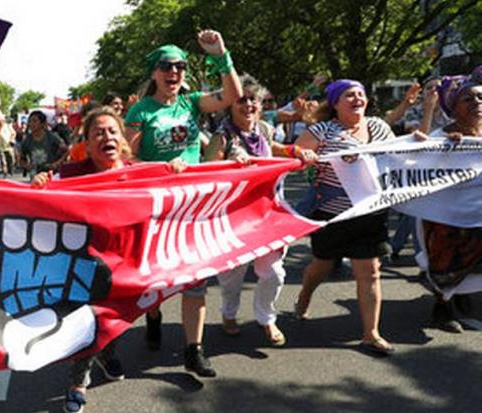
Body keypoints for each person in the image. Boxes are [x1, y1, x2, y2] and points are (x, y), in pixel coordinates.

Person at [124, 30, 242, 377]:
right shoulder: (140, 111)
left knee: (196, 278)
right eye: (166, 67)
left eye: (179, 66)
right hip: (157, 205)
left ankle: (194, 349)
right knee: (157, 279)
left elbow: (232, 96)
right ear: (154, 73)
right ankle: (155, 314)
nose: (173, 72)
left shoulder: (191, 103)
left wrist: (221, 54)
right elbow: (127, 159)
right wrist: (163, 168)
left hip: (194, 204)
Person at [32, 107, 131, 413]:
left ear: (122, 139)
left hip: (127, 261)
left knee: (115, 315)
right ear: (86, 144)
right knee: (91, 317)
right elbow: (43, 190)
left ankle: (107, 352)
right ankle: (78, 384)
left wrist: (178, 169)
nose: (107, 137)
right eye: (98, 133)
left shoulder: (140, 172)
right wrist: (40, 181)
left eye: (112, 131)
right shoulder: (72, 174)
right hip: (83, 262)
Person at [204, 75, 318, 346]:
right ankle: (228, 314)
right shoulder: (222, 136)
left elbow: (278, 150)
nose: (248, 106)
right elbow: (205, 171)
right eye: (242, 100)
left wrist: (296, 151)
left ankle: (267, 319)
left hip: (267, 215)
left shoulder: (264, 129)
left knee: (274, 273)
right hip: (233, 218)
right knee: (232, 275)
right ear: (231, 104)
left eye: (253, 100)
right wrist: (229, 164)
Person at [293, 79, 397, 356]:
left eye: (360, 94)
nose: (357, 99)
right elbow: (292, 156)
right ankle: (305, 295)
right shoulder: (323, 130)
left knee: (370, 271)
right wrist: (304, 155)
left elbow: (399, 157)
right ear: (336, 103)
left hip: (370, 212)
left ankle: (371, 334)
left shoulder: (378, 127)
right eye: (349, 95)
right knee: (321, 266)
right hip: (333, 214)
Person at [416, 67, 482, 332]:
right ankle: (442, 310)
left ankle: (464, 298)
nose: (477, 103)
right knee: (447, 264)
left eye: (480, 98)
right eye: (469, 99)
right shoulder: (442, 139)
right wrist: (444, 151)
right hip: (448, 220)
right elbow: (417, 163)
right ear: (453, 108)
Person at [19, 110, 66, 179]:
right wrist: (27, 166)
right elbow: (21, 159)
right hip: (35, 177)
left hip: (51, 175)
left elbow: (67, 151)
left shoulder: (52, 137)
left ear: (42, 124)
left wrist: (57, 163)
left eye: (34, 121)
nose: (31, 124)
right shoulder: (26, 140)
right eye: (30, 121)